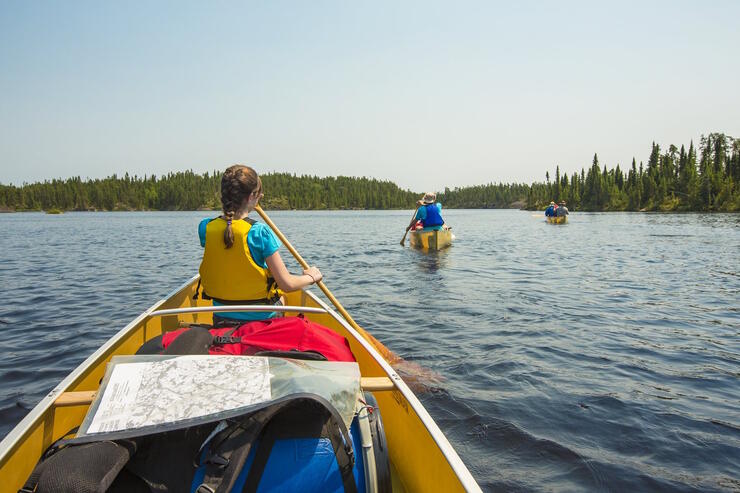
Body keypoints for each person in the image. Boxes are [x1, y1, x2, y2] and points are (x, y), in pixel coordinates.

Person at [198, 165, 323, 325]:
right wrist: (312, 276)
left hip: (221, 317)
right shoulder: (259, 232)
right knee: (282, 298)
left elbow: (228, 248)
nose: (261, 195)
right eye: (258, 193)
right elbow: (287, 284)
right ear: (251, 197)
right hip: (262, 319)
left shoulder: (205, 228)